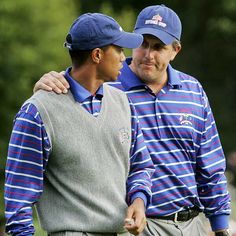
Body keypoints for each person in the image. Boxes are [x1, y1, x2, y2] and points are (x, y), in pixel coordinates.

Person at [32, 4, 232, 236]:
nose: (148, 54)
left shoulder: (193, 91)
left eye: (158, 47)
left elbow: (210, 164)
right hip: (133, 225)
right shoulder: (106, 82)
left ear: (175, 50)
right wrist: (49, 82)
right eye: (142, 44)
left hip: (191, 223)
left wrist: (220, 226)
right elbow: (74, 82)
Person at [4, 13, 156, 236]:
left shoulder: (124, 103)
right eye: (119, 50)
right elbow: (18, 200)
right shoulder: (37, 112)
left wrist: (139, 200)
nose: (125, 58)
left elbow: (141, 166)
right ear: (97, 55)